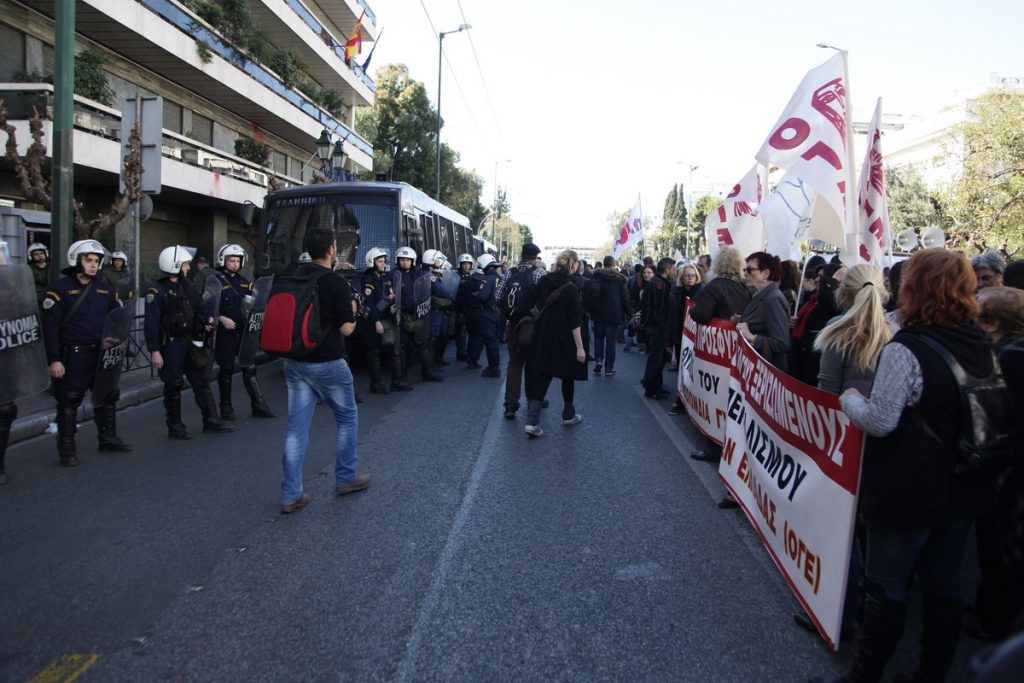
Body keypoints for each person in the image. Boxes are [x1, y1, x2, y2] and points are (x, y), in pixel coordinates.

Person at [826, 249, 1003, 683]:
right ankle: (932, 673)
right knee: (944, 586)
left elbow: (880, 420)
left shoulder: (906, 348)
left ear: (913, 288)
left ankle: (864, 675)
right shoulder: (980, 340)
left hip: (909, 490)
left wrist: (850, 399)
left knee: (887, 588)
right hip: (962, 486)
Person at [794, 264, 893, 640]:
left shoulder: (837, 334)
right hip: (886, 441)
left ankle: (843, 612)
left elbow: (827, 394)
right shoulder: (896, 332)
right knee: (871, 526)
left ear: (841, 295)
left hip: (847, 439)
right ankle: (870, 600)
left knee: (844, 528)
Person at [278, 228, 369, 514]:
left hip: (293, 362)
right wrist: (353, 310)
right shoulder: (334, 281)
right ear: (331, 249)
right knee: (347, 416)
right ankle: (345, 478)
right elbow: (347, 329)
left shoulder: (290, 277)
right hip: (328, 362)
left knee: (296, 428)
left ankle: (291, 494)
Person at [42, 240, 133, 466]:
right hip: (73, 356)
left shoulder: (105, 289)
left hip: (100, 355)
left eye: (96, 261)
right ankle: (67, 449)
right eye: (88, 260)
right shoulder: (59, 289)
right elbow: (50, 328)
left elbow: (117, 319)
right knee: (69, 401)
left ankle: (108, 438)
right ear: (76, 260)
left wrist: (115, 340)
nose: (93, 265)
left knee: (107, 396)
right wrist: (53, 359)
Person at [970, 286, 1024, 642]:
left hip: (1007, 469)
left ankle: (996, 620)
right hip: (1007, 466)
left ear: (992, 323)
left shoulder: (1009, 357)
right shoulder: (1006, 351)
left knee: (1000, 547)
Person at [145, 245, 234, 439]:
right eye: (185, 264)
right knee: (174, 383)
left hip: (191, 342)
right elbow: (151, 324)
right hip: (171, 345)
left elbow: (201, 308)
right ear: (174, 265)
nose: (187, 267)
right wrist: (154, 350)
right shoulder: (157, 290)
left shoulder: (188, 286)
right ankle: (175, 426)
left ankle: (211, 420)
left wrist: (208, 321)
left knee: (201, 381)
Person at [688, 246, 751, 459]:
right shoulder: (745, 288)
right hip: (739, 351)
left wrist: (692, 310)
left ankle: (714, 445)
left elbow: (702, 314)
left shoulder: (714, 286)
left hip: (716, 354)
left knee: (715, 395)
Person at [523, 250, 587, 436]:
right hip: (565, 338)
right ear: (573, 265)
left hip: (543, 334)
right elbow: (574, 321)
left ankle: (532, 421)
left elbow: (532, 301)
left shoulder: (545, 280)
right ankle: (568, 414)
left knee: (543, 375)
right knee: (568, 374)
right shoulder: (571, 288)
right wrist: (580, 348)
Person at [213, 244, 275, 420]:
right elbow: (206, 307)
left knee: (250, 367)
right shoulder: (215, 282)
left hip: (244, 333)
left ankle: (258, 404)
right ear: (223, 261)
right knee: (226, 369)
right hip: (226, 333)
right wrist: (220, 318)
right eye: (231, 260)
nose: (234, 264)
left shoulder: (246, 283)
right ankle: (226, 407)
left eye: (237, 261)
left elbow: (256, 305)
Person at [497, 243, 546, 418]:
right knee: (532, 364)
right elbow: (546, 300)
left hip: (512, 324)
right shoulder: (539, 273)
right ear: (535, 257)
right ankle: (533, 400)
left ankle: (510, 405)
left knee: (514, 364)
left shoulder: (510, 272)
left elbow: (498, 296)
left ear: (522, 255)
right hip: (531, 325)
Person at [392, 246, 443, 384]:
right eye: (402, 259)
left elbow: (429, 291)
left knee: (422, 345)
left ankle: (428, 372)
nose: (405, 262)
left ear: (412, 261)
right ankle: (401, 379)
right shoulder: (393, 275)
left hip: (418, 315)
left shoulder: (420, 275)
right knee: (401, 347)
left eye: (408, 260)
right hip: (401, 317)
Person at [790, 262, 845, 386]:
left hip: (813, 367)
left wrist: (831, 282)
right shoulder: (814, 299)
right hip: (800, 363)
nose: (816, 279)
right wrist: (797, 323)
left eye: (821, 276)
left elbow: (829, 302)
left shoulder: (832, 302)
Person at [736, 251, 791, 371]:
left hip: (767, 373)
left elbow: (781, 343)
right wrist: (741, 319)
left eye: (749, 270)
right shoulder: (763, 295)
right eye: (744, 270)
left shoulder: (773, 299)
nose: (745, 274)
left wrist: (752, 337)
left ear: (765, 273)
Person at [360, 247, 403, 393]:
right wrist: (377, 321)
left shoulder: (385, 278)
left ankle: (396, 382)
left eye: (384, 260)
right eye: (380, 261)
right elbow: (369, 302)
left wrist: (392, 307)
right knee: (374, 352)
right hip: (373, 321)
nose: (383, 263)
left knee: (391, 350)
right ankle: (376, 384)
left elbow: (390, 295)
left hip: (386, 319)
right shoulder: (368, 279)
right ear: (372, 262)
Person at [666, 262, 704, 414]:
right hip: (680, 335)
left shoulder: (702, 292)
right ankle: (680, 400)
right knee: (682, 369)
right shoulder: (675, 292)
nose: (690, 278)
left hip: (695, 336)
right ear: (681, 277)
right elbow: (671, 316)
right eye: (687, 275)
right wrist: (669, 340)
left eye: (693, 275)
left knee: (693, 369)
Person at [584, 255, 631, 377]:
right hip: (614, 314)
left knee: (599, 338)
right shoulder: (619, 279)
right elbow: (625, 298)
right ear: (613, 264)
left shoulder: (596, 277)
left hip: (597, 313)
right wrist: (629, 313)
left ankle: (598, 360)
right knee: (611, 342)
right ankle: (609, 368)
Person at [461, 254, 502, 377]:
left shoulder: (488, 279)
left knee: (490, 341)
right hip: (497, 312)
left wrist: (476, 294)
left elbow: (482, 296)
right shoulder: (500, 277)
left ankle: (494, 367)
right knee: (491, 339)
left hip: (487, 313)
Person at [640, 258, 676, 399]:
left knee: (659, 359)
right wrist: (664, 329)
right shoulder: (659, 284)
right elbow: (659, 310)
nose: (674, 272)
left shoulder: (660, 283)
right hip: (656, 328)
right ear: (667, 270)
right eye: (673, 269)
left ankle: (656, 386)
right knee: (655, 359)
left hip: (656, 327)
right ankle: (651, 388)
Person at [452, 253, 474, 361]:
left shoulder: (471, 277)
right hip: (458, 308)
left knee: (466, 331)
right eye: (463, 263)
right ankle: (460, 352)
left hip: (468, 308)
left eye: (468, 264)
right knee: (460, 330)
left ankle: (464, 351)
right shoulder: (455, 276)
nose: (466, 266)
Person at [28, 242, 50, 310]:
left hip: (51, 297)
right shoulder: (29, 269)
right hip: (35, 300)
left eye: (41, 253)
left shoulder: (52, 267)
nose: (40, 255)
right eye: (36, 254)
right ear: (31, 256)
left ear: (45, 253)